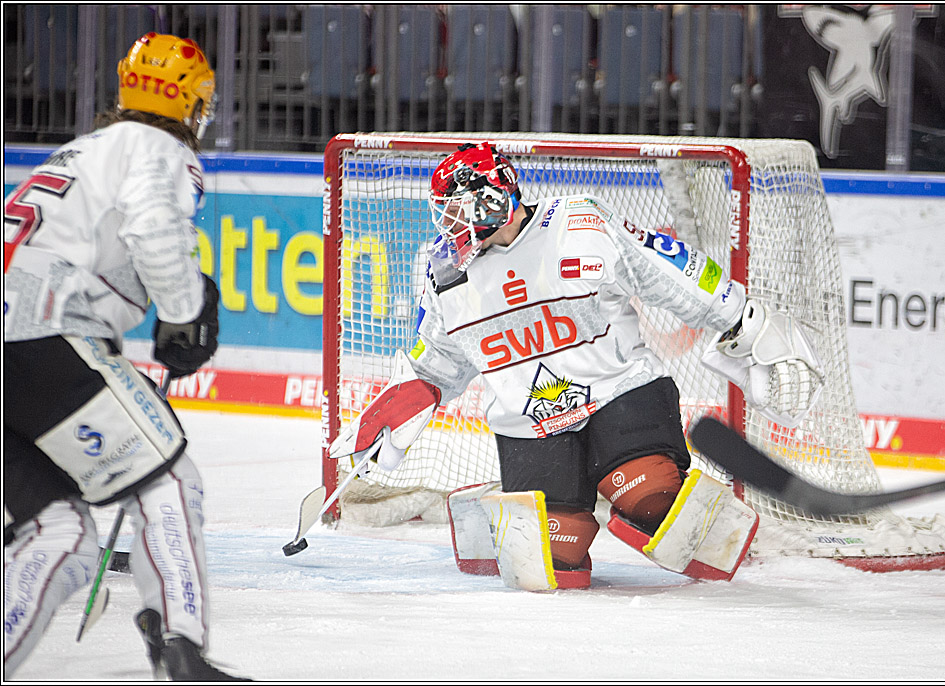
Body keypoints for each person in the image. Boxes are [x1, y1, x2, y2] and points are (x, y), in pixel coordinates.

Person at [329, 142, 822, 590]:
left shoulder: (579, 223)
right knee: (547, 564)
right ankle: (498, 503)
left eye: (460, 209)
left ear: (495, 197)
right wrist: (406, 398)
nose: (451, 225)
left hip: (619, 392)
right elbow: (434, 361)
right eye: (446, 213)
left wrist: (744, 320)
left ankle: (638, 488)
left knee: (654, 504)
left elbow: (665, 269)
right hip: (531, 424)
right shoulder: (446, 276)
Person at [4, 33, 247, 680]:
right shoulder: (161, 148)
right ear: (193, 104)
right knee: (168, 477)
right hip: (46, 339)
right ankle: (180, 645)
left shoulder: (80, 150)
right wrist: (183, 312)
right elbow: (152, 229)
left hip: (21, 340)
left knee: (60, 533)